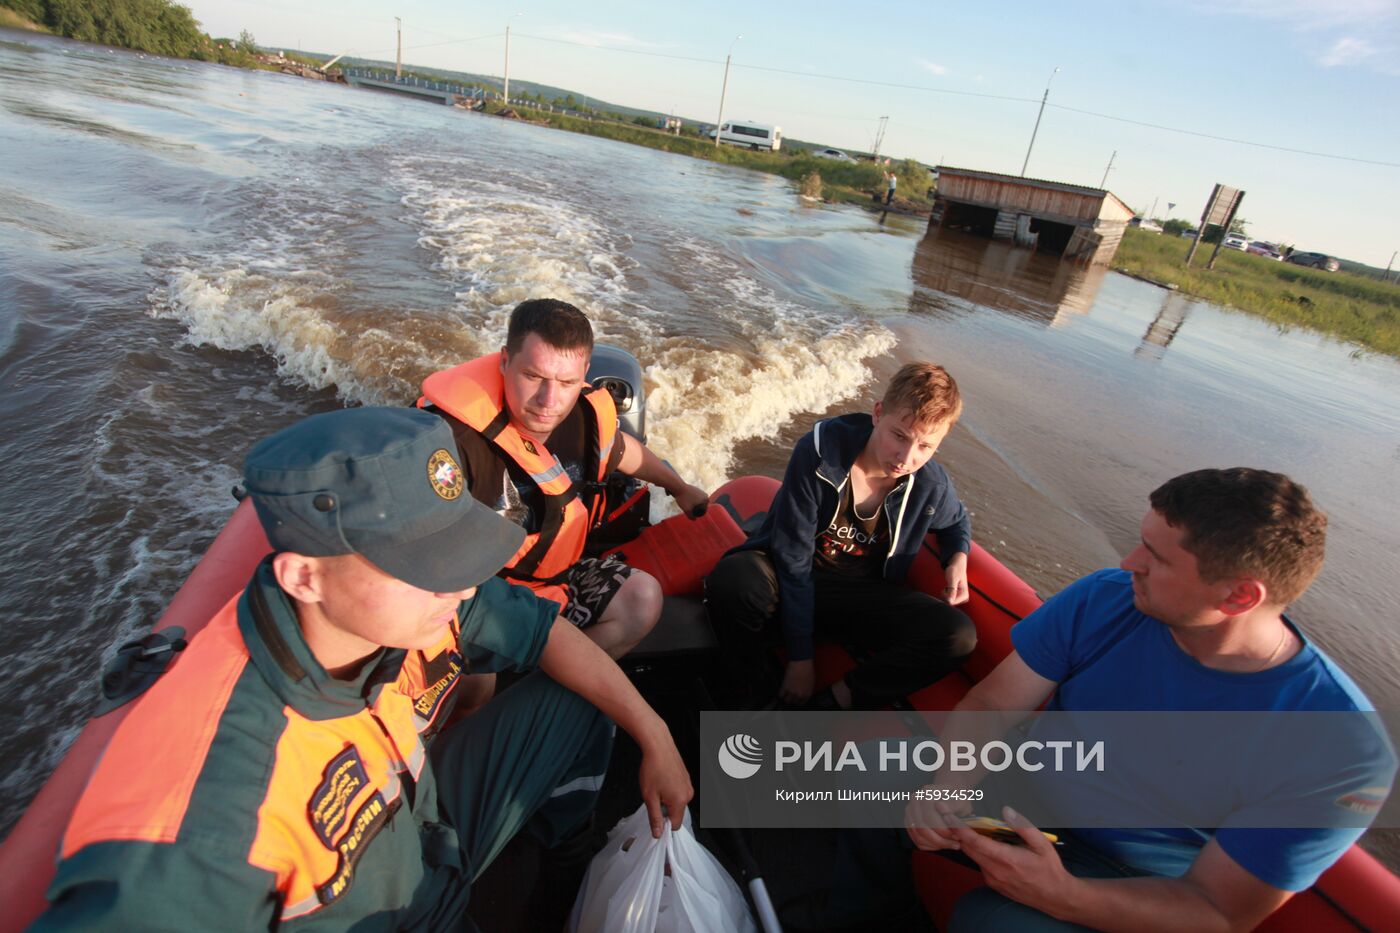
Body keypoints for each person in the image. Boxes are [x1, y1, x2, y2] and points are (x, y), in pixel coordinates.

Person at [33, 407, 692, 932]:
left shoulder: (414, 603)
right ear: (304, 576)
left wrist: (656, 736)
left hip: (429, 839)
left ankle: (560, 866)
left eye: (456, 554)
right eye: (427, 566)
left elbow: (546, 631)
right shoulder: (209, 812)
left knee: (584, 701)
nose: (462, 589)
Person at [805, 467, 1396, 932]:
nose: (1127, 564)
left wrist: (1065, 894)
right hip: (1019, 804)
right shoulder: (1108, 600)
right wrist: (950, 784)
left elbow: (1217, 909)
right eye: (1142, 543)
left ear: (1240, 596)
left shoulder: (1337, 747)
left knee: (994, 922)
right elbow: (992, 707)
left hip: (1126, 874)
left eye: (1157, 558)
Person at [420, 299, 709, 667]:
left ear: (585, 372)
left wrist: (678, 487)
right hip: (478, 594)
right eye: (534, 377)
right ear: (505, 361)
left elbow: (621, 451)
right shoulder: (448, 441)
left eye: (567, 382)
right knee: (475, 683)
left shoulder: (584, 413)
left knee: (642, 599)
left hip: (556, 578)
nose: (549, 401)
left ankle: (544, 696)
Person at [706, 362, 977, 710]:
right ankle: (750, 687)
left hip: (857, 595)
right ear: (878, 414)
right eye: (900, 436)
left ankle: (835, 701)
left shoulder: (930, 486)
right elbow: (792, 558)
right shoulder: (820, 453)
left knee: (958, 634)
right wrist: (800, 660)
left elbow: (956, 523)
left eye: (925, 446)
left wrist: (957, 559)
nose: (907, 457)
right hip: (788, 580)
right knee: (736, 579)